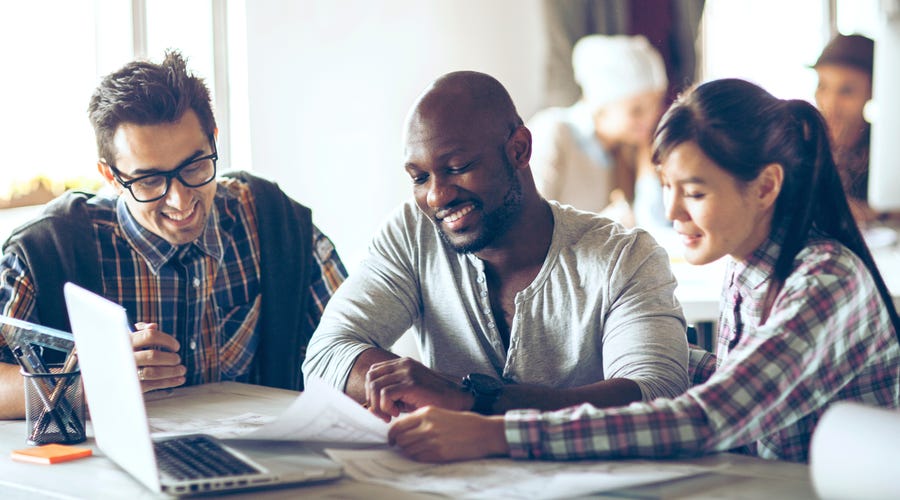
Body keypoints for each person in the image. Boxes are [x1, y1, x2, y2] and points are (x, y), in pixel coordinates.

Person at [386, 78, 900, 464]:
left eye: (694, 192)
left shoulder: (825, 281)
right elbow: (738, 374)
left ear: (766, 187)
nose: (673, 213)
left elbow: (712, 416)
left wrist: (495, 430)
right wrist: (616, 338)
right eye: (667, 188)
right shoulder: (749, 270)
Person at [302, 71, 688, 422]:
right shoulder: (413, 232)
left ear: (519, 149)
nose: (436, 196)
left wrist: (470, 399)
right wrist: (428, 391)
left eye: (457, 167)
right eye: (420, 177)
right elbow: (325, 355)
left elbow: (658, 398)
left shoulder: (625, 257)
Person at [0, 51, 347, 419]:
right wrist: (91, 384)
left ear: (213, 140)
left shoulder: (275, 222)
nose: (180, 200)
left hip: (262, 461)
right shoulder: (45, 250)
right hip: (98, 471)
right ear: (111, 177)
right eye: (150, 180)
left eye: (195, 166)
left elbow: (348, 341)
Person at [528, 34, 669, 228]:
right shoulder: (553, 131)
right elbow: (529, 226)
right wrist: (601, 226)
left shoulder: (627, 150)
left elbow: (653, 226)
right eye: (636, 110)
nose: (650, 118)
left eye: (657, 105)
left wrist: (646, 162)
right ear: (600, 106)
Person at [812, 33, 878, 223]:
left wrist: (870, 212)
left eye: (846, 91)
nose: (830, 104)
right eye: (822, 86)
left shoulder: (884, 149)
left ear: (871, 92)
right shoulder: (802, 142)